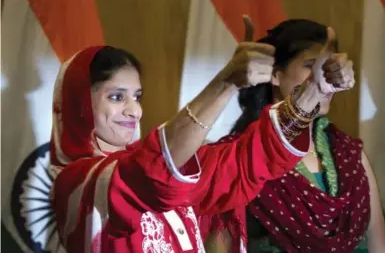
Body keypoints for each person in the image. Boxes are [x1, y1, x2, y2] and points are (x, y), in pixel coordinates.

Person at [49, 17, 351, 252]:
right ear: (79, 104)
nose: (134, 111)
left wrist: (313, 90)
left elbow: (247, 162)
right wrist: (225, 83)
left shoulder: (172, 166)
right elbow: (151, 175)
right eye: (116, 97)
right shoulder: (75, 183)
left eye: (137, 97)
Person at [203, 19, 385, 253]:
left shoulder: (350, 154)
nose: (323, 77)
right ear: (276, 75)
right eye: (311, 65)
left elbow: (379, 244)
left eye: (328, 67)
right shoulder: (238, 157)